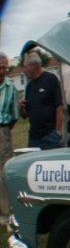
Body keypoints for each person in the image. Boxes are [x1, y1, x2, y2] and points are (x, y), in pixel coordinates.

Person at [19, 52, 63, 149]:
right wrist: (21, 108)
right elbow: (25, 116)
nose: (24, 70)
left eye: (26, 67)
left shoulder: (50, 79)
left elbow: (59, 106)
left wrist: (58, 131)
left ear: (34, 66)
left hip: (50, 136)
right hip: (33, 138)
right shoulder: (29, 87)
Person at [0, 52, 19, 222]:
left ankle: (6, 215)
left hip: (3, 131)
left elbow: (14, 116)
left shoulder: (10, 87)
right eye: (0, 67)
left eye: (4, 67)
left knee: (4, 172)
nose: (2, 70)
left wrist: (4, 130)